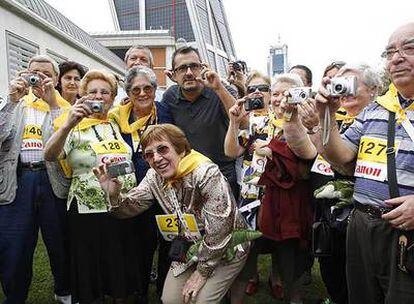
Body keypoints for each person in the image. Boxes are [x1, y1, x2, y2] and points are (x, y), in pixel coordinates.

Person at [94, 124, 251, 304]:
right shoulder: (154, 176)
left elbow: (220, 230)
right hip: (191, 247)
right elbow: (128, 208)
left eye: (162, 149)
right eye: (149, 154)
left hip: (227, 246)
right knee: (170, 300)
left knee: (200, 301)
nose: (157, 158)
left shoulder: (206, 173)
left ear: (181, 149)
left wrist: (201, 272)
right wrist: (113, 195)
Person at [314, 23, 414, 303]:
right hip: (361, 225)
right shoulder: (376, 109)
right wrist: (327, 115)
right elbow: (341, 155)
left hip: (405, 233)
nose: (397, 57)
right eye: (390, 51)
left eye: (409, 48)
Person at [44, 70, 137, 304]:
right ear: (84, 96)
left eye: (105, 92)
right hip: (86, 209)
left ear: (113, 97)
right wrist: (66, 126)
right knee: (89, 273)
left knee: (118, 268)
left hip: (119, 206)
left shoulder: (118, 123)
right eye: (93, 91)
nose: (99, 96)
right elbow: (49, 154)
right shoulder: (73, 124)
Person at [301, 63, 380, 304]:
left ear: (374, 90)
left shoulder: (379, 116)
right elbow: (329, 154)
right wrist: (322, 119)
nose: (342, 89)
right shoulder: (341, 119)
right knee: (335, 274)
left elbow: (345, 163)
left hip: (373, 217)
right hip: (333, 215)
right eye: (336, 83)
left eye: (348, 83)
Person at [0, 55, 71, 304]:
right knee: (14, 244)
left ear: (56, 79)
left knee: (60, 240)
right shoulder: (14, 103)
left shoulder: (63, 106)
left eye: (46, 74)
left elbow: (68, 145)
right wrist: (11, 100)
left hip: (51, 179)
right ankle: (15, 296)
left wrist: (52, 104)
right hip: (18, 179)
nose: (39, 78)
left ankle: (64, 290)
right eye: (34, 73)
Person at [108, 66, 173, 302]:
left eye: (148, 88)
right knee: (139, 246)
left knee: (168, 241)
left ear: (155, 90)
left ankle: (166, 291)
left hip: (164, 187)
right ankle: (140, 290)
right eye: (136, 89)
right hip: (134, 192)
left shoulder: (166, 113)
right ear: (128, 92)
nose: (143, 93)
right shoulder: (116, 118)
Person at [161, 46, 240, 199]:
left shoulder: (220, 90)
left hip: (222, 173)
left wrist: (219, 88)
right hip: (188, 176)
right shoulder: (170, 97)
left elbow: (241, 122)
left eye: (194, 66)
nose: (189, 73)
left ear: (202, 68)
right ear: (174, 75)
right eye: (182, 68)